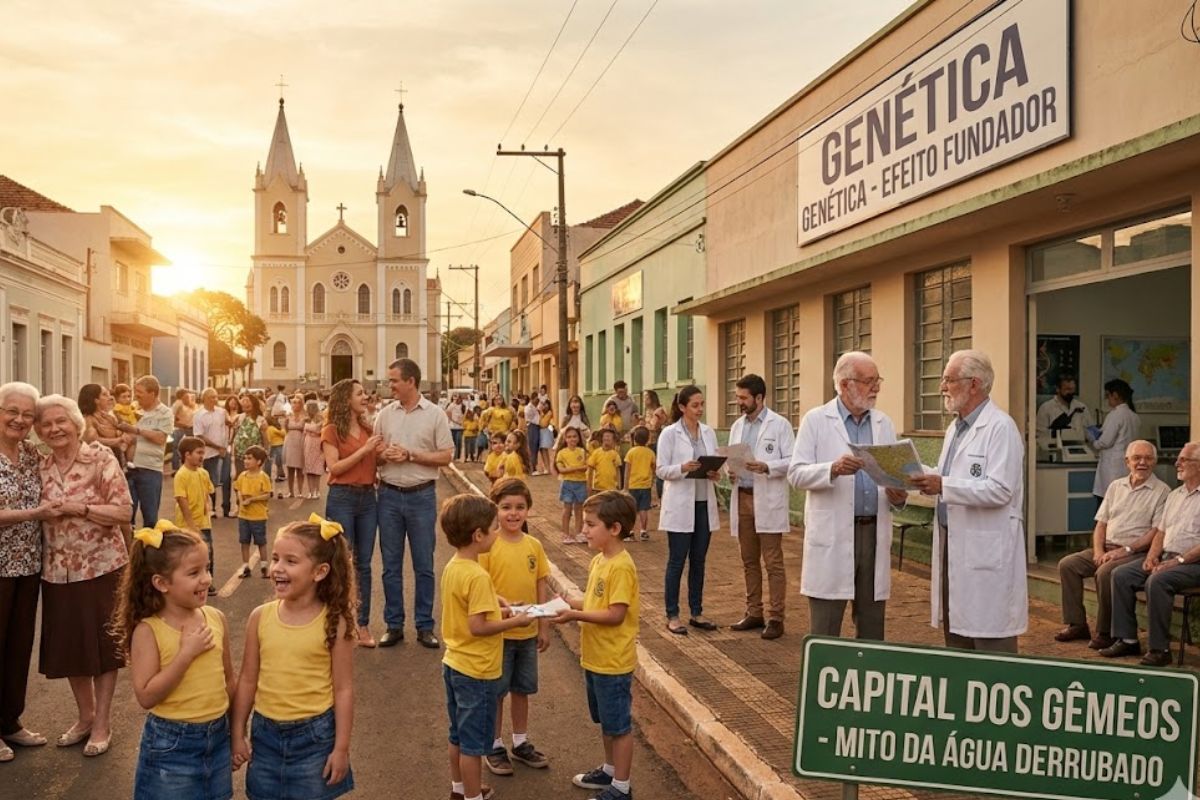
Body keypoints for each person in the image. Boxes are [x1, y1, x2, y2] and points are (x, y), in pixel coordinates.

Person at [35, 394, 133, 757]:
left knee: (105, 650)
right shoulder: (40, 465)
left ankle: (103, 722)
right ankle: (85, 716)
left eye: (61, 420)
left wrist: (82, 508)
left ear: (76, 423)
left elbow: (124, 511)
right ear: (38, 432)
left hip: (101, 567)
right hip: (57, 571)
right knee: (73, 649)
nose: (54, 428)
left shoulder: (100, 458)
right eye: (45, 424)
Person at [231, 516, 357, 799]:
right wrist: (237, 733)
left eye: (290, 561)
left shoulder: (335, 622)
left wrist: (341, 748)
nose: (277, 568)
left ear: (320, 571)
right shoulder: (259, 617)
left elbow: (344, 688)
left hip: (315, 738)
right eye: (275, 558)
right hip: (264, 736)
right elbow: (248, 680)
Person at [910, 350, 1027, 653]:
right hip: (953, 542)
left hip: (986, 548)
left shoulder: (1001, 428)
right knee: (957, 633)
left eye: (948, 379)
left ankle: (997, 696)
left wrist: (943, 485)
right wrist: (916, 474)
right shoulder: (955, 428)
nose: (942, 386)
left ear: (974, 384)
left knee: (991, 640)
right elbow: (950, 476)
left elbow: (1001, 490)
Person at [112, 523, 234, 799]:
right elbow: (146, 695)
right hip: (171, 743)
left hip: (217, 737)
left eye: (207, 568)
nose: (206, 579)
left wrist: (237, 733)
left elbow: (230, 681)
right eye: (194, 572)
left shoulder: (216, 619)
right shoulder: (148, 630)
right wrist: (185, 655)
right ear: (161, 583)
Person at [788, 354, 904, 641]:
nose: (876, 388)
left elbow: (896, 474)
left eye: (878, 381)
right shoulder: (816, 420)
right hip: (834, 534)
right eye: (869, 381)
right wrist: (832, 469)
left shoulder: (883, 423)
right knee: (826, 625)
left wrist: (899, 494)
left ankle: (866, 682)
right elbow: (796, 473)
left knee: (872, 623)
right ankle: (825, 683)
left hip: (873, 533)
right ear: (844, 384)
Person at [438, 493, 534, 800]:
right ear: (478, 535)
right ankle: (473, 796)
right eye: (494, 528)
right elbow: (478, 626)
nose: (497, 533)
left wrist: (501, 606)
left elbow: (472, 609)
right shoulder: (478, 575)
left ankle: (459, 789)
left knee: (457, 735)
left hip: (455, 663)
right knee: (473, 744)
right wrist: (513, 622)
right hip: (477, 671)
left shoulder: (456, 566)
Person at [551, 491, 640, 800]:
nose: (584, 530)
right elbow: (593, 602)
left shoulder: (621, 567)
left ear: (614, 529)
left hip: (613, 661)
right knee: (606, 721)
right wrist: (562, 603)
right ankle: (610, 771)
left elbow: (615, 614)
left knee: (619, 726)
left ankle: (621, 788)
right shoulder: (601, 560)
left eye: (590, 524)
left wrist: (574, 614)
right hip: (596, 658)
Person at [1055, 440, 1168, 649]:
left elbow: (1155, 532)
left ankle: (1105, 632)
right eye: (1137, 458)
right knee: (1068, 564)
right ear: (1127, 462)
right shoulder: (1116, 486)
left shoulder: (1162, 491)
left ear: (1155, 461)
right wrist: (1098, 551)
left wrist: (1123, 551)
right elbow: (1101, 524)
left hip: (1136, 552)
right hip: (1107, 547)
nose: (1142, 462)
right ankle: (1077, 624)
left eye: (1148, 458)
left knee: (1105, 572)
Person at [374, 358, 454, 649]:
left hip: (422, 496)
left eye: (394, 380)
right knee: (390, 565)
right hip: (389, 495)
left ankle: (424, 626)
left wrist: (410, 455)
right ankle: (393, 624)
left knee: (424, 565)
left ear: (410, 381)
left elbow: (446, 455)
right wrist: (385, 456)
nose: (390, 385)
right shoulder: (384, 415)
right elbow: (375, 452)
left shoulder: (435, 415)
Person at [1103, 442, 1200, 666]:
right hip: (1170, 557)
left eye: (1184, 460)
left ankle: (1160, 649)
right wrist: (1151, 556)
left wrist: (1177, 561)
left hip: (1193, 563)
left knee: (1157, 581)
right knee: (1121, 575)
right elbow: (1161, 531)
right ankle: (1127, 639)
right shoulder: (1176, 495)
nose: (1177, 463)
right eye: (1179, 459)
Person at [479, 479, 551, 776]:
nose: (513, 513)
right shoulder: (488, 546)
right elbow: (481, 591)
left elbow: (541, 585)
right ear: (495, 509)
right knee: (496, 692)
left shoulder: (534, 545)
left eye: (520, 507)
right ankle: (493, 745)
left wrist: (543, 625)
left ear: (528, 510)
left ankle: (520, 742)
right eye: (506, 507)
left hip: (527, 632)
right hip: (499, 633)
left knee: (522, 690)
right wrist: (503, 611)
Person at [0, 382, 54, 762]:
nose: (19, 420)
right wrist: (33, 514)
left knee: (18, 646)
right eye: (11, 411)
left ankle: (10, 721)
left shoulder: (32, 453)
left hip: (28, 565)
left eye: (27, 415)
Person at [727, 374, 796, 641]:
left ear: (759, 397)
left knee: (773, 561)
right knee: (748, 560)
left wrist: (767, 466)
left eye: (743, 398)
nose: (739, 402)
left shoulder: (779, 425)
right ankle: (754, 611)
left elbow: (792, 461)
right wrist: (731, 474)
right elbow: (733, 459)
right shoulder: (737, 426)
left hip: (766, 498)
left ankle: (776, 617)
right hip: (743, 496)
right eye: (738, 397)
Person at [322, 378, 383, 649]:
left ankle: (363, 624)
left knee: (364, 563)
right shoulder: (332, 430)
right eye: (359, 393)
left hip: (368, 498)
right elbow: (334, 468)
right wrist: (365, 450)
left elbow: (374, 460)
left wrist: (386, 454)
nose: (365, 397)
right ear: (346, 399)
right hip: (342, 498)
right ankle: (340, 621)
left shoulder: (369, 430)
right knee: (342, 561)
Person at [655, 386, 720, 636]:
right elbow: (661, 470)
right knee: (676, 561)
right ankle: (672, 614)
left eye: (702, 404)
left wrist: (714, 472)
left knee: (699, 560)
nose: (700, 409)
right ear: (682, 407)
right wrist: (682, 467)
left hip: (703, 502)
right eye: (695, 405)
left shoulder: (708, 432)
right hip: (680, 505)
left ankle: (697, 611)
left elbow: (714, 462)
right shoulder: (669, 434)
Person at [117, 375, 174, 528]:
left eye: (140, 393)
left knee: (150, 517)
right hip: (129, 470)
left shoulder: (165, 413)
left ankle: (148, 550)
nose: (136, 396)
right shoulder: (134, 411)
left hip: (150, 470)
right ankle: (131, 550)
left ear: (153, 394)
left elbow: (161, 438)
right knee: (127, 517)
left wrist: (136, 430)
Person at [173, 436, 215, 591]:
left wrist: (207, 510)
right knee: (188, 555)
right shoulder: (181, 475)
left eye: (203, 452)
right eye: (198, 452)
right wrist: (190, 524)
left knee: (207, 552)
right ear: (187, 454)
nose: (201, 456)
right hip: (187, 525)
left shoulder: (203, 473)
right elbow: (181, 499)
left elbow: (209, 491)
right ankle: (189, 583)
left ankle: (208, 582)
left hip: (204, 522)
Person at [1087, 378, 1140, 501]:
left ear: (1115, 395)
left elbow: (1105, 442)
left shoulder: (1116, 415)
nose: (1107, 399)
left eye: (1108, 396)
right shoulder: (1134, 416)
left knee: (1108, 506)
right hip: (1126, 467)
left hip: (1113, 469)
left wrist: (1092, 440)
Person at [234, 445, 273, 580]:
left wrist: (252, 499)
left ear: (259, 462)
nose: (246, 461)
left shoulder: (263, 477)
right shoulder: (242, 476)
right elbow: (238, 489)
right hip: (243, 515)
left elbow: (267, 494)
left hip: (258, 516)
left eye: (249, 458)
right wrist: (240, 501)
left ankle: (264, 566)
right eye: (245, 458)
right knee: (244, 541)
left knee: (260, 541)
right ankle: (246, 566)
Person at [193, 388, 233, 519]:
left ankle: (226, 508)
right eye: (211, 397)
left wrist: (227, 442)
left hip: (224, 450)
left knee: (227, 479)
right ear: (204, 398)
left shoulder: (221, 412)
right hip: (210, 452)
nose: (215, 400)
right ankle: (212, 508)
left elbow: (229, 424)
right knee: (212, 481)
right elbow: (199, 436)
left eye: (216, 397)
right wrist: (217, 447)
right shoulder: (199, 415)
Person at [79, 383, 131, 470]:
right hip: (98, 466)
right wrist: (118, 440)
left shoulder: (108, 416)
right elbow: (93, 442)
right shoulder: (87, 419)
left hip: (115, 461)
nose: (110, 397)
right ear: (96, 400)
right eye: (104, 394)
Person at [1035, 373, 1088, 447]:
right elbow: (1040, 437)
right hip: (1055, 451)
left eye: (1073, 389)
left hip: (1080, 451)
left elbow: (1089, 432)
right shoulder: (1045, 408)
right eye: (1067, 389)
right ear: (1058, 389)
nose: (1071, 393)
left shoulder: (1082, 407)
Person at [556, 427, 589, 545]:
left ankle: (579, 533)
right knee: (567, 509)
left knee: (579, 509)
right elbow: (561, 469)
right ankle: (565, 533)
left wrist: (571, 469)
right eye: (569, 437)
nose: (572, 439)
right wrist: (575, 469)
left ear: (579, 437)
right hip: (567, 483)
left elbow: (586, 466)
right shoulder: (562, 453)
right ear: (565, 439)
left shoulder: (582, 451)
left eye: (574, 436)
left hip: (581, 483)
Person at [623, 427, 656, 542]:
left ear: (635, 439)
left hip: (633, 485)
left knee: (632, 510)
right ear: (647, 439)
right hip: (645, 486)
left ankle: (631, 532)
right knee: (643, 509)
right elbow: (654, 468)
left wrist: (625, 487)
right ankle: (643, 531)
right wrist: (652, 480)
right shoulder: (650, 452)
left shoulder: (631, 452)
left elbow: (627, 470)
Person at [231, 393, 268, 481]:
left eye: (247, 401)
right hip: (240, 456)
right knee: (240, 479)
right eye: (243, 401)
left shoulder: (260, 420)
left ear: (254, 403)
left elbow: (265, 439)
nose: (245, 403)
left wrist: (266, 452)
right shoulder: (239, 418)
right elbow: (235, 433)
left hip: (255, 457)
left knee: (253, 478)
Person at [642, 390, 667, 503]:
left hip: (656, 442)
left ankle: (661, 497)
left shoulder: (658, 411)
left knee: (658, 469)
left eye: (646, 397)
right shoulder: (647, 411)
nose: (644, 400)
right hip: (648, 442)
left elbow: (654, 426)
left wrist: (643, 425)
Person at [283, 393, 306, 499]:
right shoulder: (288, 416)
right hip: (290, 441)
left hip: (300, 441)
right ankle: (291, 491)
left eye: (297, 403)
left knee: (300, 468)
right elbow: (285, 429)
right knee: (290, 468)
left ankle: (300, 491)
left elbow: (306, 429)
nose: (295, 405)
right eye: (293, 403)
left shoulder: (305, 416)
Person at [170, 389, 197, 475]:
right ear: (182, 397)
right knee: (178, 448)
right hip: (181, 429)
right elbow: (172, 418)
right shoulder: (178, 404)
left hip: (190, 428)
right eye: (186, 396)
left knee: (189, 448)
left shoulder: (188, 405)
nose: (189, 398)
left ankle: (188, 466)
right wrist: (181, 425)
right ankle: (177, 468)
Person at [303, 400, 325, 500]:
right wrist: (311, 429)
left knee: (317, 469)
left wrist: (310, 428)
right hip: (308, 443)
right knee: (309, 469)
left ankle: (317, 490)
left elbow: (319, 430)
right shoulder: (307, 419)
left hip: (317, 444)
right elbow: (306, 430)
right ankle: (311, 491)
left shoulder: (320, 418)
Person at [587, 430, 622, 495]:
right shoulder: (596, 453)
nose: (607, 438)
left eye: (609, 436)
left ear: (613, 441)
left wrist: (619, 485)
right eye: (606, 436)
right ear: (602, 438)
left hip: (612, 488)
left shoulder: (615, 454)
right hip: (598, 488)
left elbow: (618, 471)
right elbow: (590, 470)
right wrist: (589, 486)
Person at [265, 413, 286, 485]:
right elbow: (283, 434)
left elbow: (269, 438)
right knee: (278, 462)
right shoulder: (272, 428)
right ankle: (280, 475)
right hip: (278, 445)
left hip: (275, 445)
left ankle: (272, 475)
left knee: (272, 461)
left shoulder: (270, 428)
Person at [524, 397, 542, 475]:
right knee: (532, 447)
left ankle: (534, 466)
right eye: (536, 400)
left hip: (536, 427)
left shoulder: (535, 407)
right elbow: (530, 418)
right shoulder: (529, 408)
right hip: (532, 426)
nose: (537, 401)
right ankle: (532, 468)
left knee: (535, 448)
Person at [537, 400, 555, 476]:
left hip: (546, 433)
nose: (545, 406)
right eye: (543, 404)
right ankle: (546, 467)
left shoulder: (549, 413)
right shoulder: (542, 413)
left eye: (546, 404)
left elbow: (543, 424)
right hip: (541, 432)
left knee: (545, 450)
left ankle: (548, 468)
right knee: (542, 450)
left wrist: (540, 415)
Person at [447, 395, 466, 462]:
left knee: (458, 441)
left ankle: (457, 456)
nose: (457, 400)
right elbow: (448, 414)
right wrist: (454, 421)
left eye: (459, 398)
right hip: (452, 427)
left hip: (460, 427)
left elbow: (465, 415)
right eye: (456, 398)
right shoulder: (451, 405)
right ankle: (453, 456)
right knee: (453, 442)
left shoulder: (463, 406)